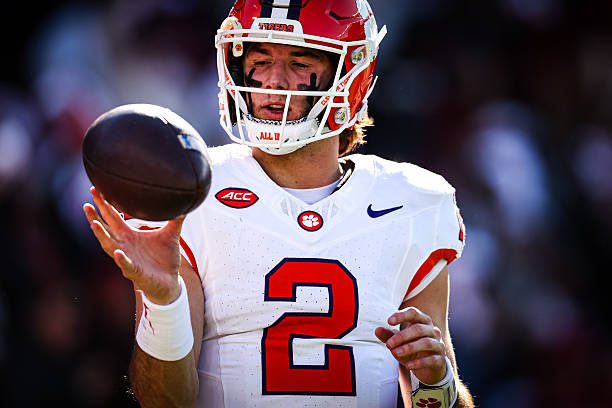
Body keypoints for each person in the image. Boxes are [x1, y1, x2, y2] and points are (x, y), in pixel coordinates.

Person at [83, 0, 475, 407]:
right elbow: (165, 403)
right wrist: (163, 303)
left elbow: (437, 397)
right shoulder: (191, 193)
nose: (273, 81)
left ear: (351, 74)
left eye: (300, 61)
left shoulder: (410, 203)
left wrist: (437, 380)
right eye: (261, 57)